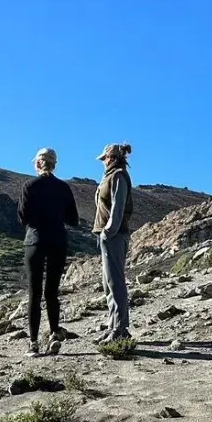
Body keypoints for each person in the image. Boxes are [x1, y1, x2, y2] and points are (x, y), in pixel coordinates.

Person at [17, 147, 79, 357]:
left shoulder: (29, 186)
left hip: (34, 241)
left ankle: (33, 343)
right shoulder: (64, 188)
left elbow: (22, 217)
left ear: (37, 163)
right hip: (58, 241)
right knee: (51, 292)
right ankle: (54, 333)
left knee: (34, 293)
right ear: (54, 164)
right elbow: (73, 219)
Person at [93, 142, 134, 343]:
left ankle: (120, 328)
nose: (103, 162)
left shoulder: (118, 176)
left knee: (115, 281)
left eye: (104, 158)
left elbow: (118, 207)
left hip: (114, 236)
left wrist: (108, 232)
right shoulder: (110, 177)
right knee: (108, 283)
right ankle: (113, 326)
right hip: (109, 235)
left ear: (110, 158)